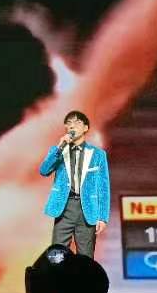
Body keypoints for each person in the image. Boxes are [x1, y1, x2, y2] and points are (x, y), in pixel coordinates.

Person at [39, 110, 109, 258]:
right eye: (69, 123)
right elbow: (44, 171)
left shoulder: (98, 154)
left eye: (77, 123)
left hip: (87, 209)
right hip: (64, 207)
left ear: (85, 128)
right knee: (57, 256)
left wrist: (103, 217)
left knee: (85, 258)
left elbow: (103, 187)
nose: (72, 126)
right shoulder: (59, 151)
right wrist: (59, 147)